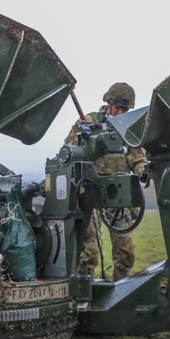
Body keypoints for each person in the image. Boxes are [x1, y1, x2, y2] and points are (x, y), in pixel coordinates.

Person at [64, 82, 146, 281]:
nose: (120, 113)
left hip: (117, 196)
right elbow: (68, 153)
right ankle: (85, 294)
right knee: (89, 251)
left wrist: (143, 170)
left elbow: (138, 158)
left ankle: (121, 291)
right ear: (108, 103)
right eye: (118, 107)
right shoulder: (87, 122)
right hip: (89, 193)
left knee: (125, 251)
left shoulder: (129, 128)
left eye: (125, 109)